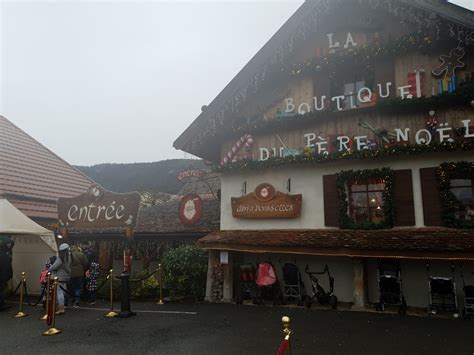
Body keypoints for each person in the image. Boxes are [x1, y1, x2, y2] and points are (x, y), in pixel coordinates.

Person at [48, 243, 71, 315]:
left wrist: (49, 269)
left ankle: (61, 308)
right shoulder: (69, 257)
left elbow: (54, 266)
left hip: (59, 277)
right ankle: (61, 306)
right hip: (66, 276)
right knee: (63, 292)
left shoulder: (61, 258)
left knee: (59, 293)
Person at [0, 236, 14, 311]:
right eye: (8, 243)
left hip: (4, 274)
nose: (9, 245)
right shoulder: (3, 253)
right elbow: (5, 266)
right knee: (1, 290)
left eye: (10, 243)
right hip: (2, 275)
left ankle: (2, 303)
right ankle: (1, 305)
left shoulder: (8, 252)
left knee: (2, 289)